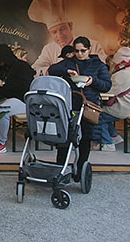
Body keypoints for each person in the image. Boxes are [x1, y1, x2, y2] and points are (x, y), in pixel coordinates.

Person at [48, 37, 111, 176]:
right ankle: (61, 169)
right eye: (77, 51)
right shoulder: (70, 62)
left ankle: (81, 169)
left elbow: (107, 85)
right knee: (65, 136)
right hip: (70, 104)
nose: (80, 54)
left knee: (85, 138)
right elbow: (52, 69)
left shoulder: (98, 65)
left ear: (89, 49)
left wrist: (92, 81)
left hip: (88, 105)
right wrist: (67, 71)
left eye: (83, 51)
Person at [27, 0, 107, 75]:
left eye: (62, 29)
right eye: (54, 32)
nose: (59, 35)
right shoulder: (49, 49)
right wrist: (52, 71)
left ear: (70, 26)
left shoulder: (94, 46)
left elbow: (103, 69)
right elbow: (35, 69)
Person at [0, 44, 35, 154]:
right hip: (8, 98)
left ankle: (0, 143)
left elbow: (24, 85)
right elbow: (0, 83)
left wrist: (2, 83)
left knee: (2, 109)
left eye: (1, 60)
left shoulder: (22, 66)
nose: (0, 63)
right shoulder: (4, 68)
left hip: (22, 100)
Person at [100, 46, 130, 149]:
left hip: (124, 108)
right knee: (103, 115)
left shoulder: (121, 74)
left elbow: (108, 91)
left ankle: (107, 144)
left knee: (98, 115)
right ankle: (114, 136)